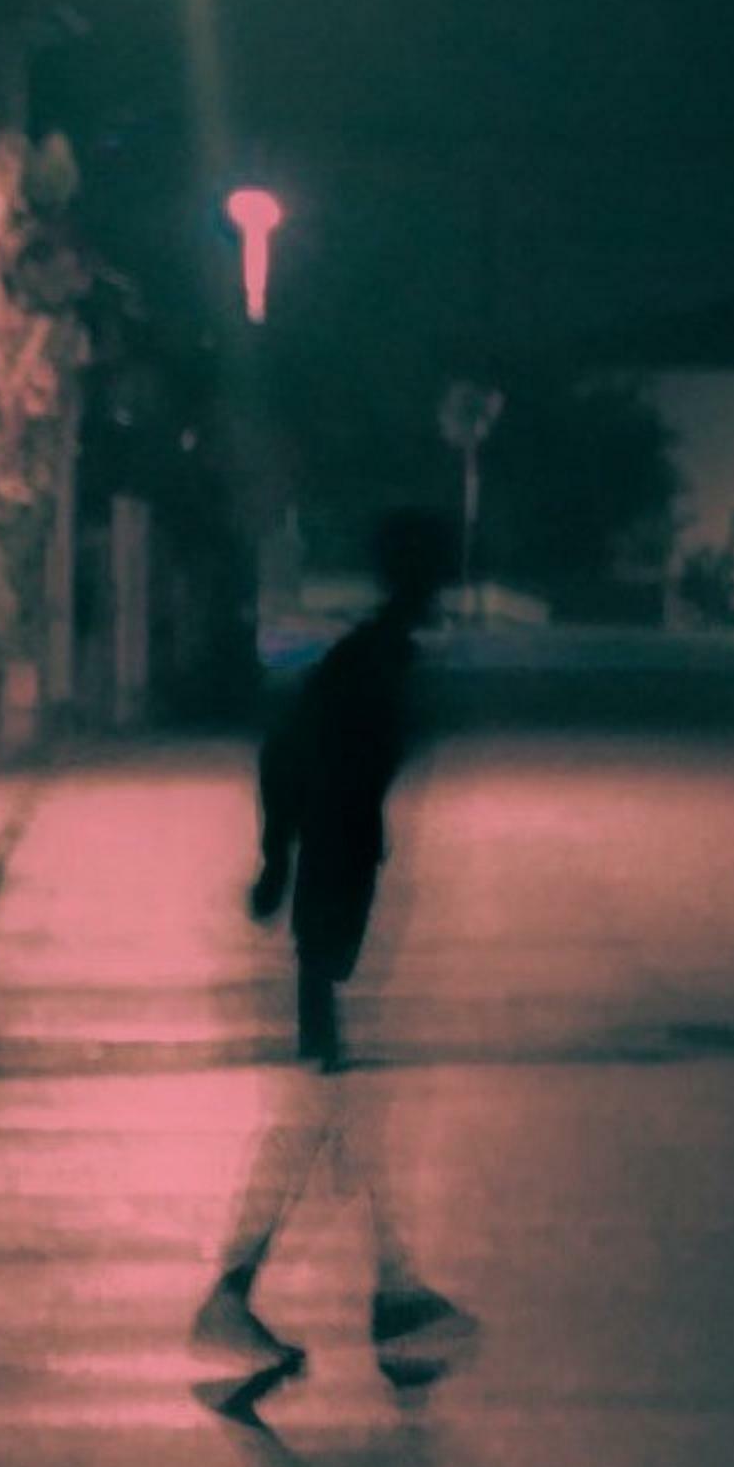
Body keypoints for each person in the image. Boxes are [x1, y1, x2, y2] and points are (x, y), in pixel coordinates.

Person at [195, 505, 475, 1398]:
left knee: (336, 1104)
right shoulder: (369, 664)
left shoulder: (380, 659)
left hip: (339, 897)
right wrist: (277, 864)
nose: (440, 594)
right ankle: (246, 1290)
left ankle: (384, 1290)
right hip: (330, 901)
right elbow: (288, 755)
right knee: (325, 1105)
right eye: (434, 577)